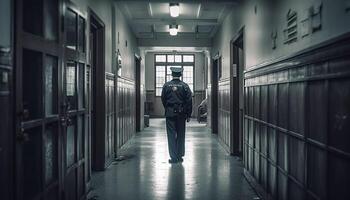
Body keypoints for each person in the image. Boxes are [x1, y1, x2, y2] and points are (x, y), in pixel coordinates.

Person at [161, 66, 192, 164]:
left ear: (172, 74)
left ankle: (173, 157)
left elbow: (163, 99)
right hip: (181, 113)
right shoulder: (185, 86)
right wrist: (188, 114)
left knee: (171, 135)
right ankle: (180, 156)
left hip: (170, 113)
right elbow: (189, 101)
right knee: (181, 134)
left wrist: (168, 108)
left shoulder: (166, 85)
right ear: (180, 75)